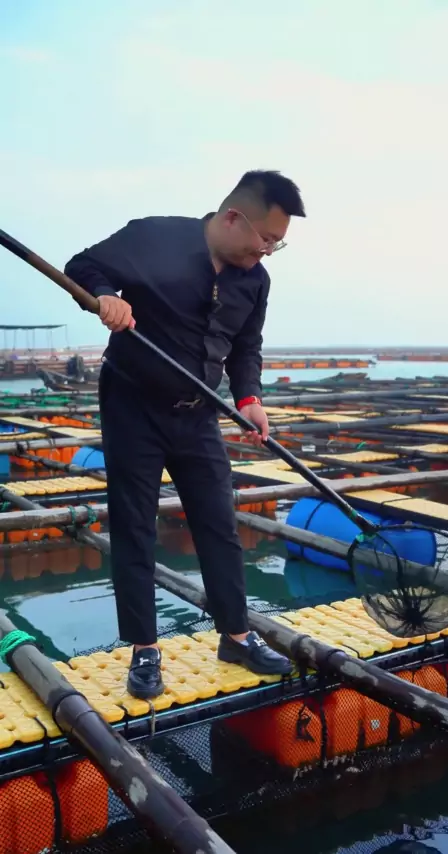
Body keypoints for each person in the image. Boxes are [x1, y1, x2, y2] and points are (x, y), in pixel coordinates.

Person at [64, 169, 306, 700]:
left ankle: (236, 636)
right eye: (266, 239)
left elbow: (246, 346)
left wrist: (250, 399)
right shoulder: (156, 236)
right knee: (134, 524)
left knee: (219, 522)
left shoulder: (255, 281)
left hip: (198, 413)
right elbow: (82, 266)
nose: (267, 251)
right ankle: (145, 649)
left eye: (277, 244)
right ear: (233, 218)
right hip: (133, 403)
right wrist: (104, 295)